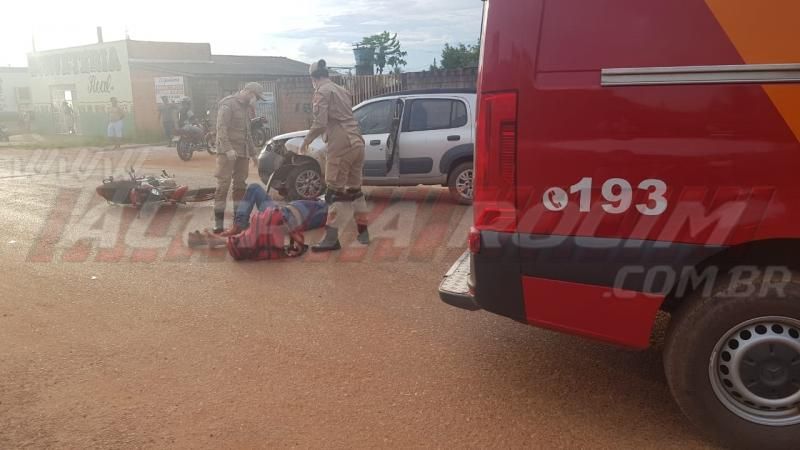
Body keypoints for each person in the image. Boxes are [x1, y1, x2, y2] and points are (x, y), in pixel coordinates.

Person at [300, 59, 369, 252]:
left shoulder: (322, 92)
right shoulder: (342, 90)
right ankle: (364, 234)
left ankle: (331, 240)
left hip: (341, 144)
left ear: (313, 78)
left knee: (333, 192)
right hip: (357, 141)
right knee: (355, 190)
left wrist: (306, 140)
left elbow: (321, 123)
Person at [212, 82, 265, 233]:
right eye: (256, 97)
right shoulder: (228, 104)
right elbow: (221, 128)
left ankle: (238, 221)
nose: (257, 101)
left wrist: (254, 154)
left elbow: (247, 133)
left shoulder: (246, 107)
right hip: (226, 153)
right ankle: (218, 224)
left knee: (240, 186)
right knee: (223, 186)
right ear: (249, 92)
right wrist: (228, 149)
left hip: (242, 152)